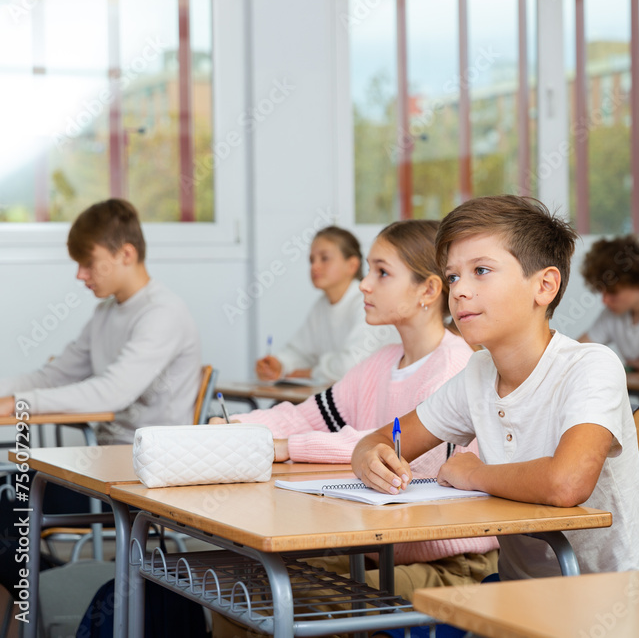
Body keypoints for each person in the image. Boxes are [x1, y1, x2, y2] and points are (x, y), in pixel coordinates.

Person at [353, 195, 639, 580]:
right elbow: (382, 438)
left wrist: (473, 474)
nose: (458, 291)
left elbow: (567, 483)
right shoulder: (478, 372)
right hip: (515, 593)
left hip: (604, 599)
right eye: (453, 276)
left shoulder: (591, 366)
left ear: (544, 286)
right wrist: (368, 457)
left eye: (481, 270)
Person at [210, 220, 497, 618]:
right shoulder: (379, 363)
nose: (364, 285)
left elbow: (405, 459)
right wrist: (233, 430)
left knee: (281, 596)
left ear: (428, 290)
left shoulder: (453, 366)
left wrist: (284, 448)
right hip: (380, 550)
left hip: (450, 563)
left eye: (381, 272)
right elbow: (306, 415)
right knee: (245, 584)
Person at [0, 200, 201, 444]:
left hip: (153, 460)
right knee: (22, 477)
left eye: (88, 263)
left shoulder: (163, 313)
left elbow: (113, 392)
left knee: (22, 478)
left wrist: (20, 403)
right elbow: (53, 377)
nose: (80, 275)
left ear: (126, 254)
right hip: (106, 451)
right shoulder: (104, 312)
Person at [255, 225, 397, 384]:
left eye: (324, 258)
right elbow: (301, 351)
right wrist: (279, 364)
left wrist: (309, 372)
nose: (315, 266)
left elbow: (351, 366)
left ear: (352, 265)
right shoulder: (321, 306)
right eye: (311, 260)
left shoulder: (367, 304)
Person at [579, 235, 639, 372]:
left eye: (613, 292)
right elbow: (576, 353)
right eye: (601, 291)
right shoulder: (612, 314)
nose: (604, 300)